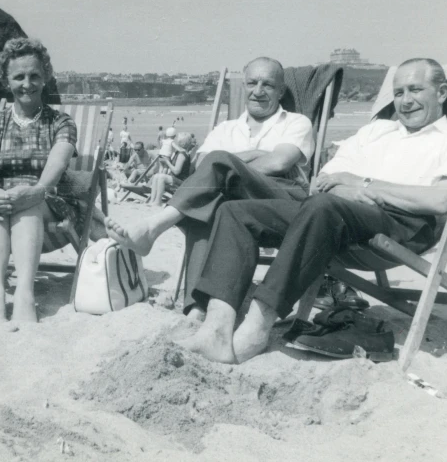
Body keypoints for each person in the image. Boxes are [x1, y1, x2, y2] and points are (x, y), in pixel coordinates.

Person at [170, 58, 447, 364]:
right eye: (399, 93)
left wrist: (364, 184)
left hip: (403, 226)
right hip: (336, 216)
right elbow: (324, 183)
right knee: (238, 212)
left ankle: (257, 326)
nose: (406, 101)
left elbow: (440, 200)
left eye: (416, 90)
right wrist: (346, 187)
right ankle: (216, 329)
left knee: (323, 206)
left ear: (441, 93)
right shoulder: (376, 132)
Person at [106, 57, 315, 319]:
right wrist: (252, 155)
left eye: (268, 85)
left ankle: (154, 227)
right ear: (243, 87)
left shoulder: (296, 122)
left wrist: (229, 160)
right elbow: (202, 166)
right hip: (233, 202)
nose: (258, 91)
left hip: (282, 199)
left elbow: (279, 161)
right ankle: (196, 311)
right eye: (252, 82)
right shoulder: (225, 128)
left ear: (281, 91)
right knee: (208, 206)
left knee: (216, 170)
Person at [0, 37, 90, 326]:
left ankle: (24, 293)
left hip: (47, 200)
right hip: (2, 201)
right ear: (6, 81)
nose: (27, 83)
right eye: (19, 76)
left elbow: (56, 166)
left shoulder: (60, 123)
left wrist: (35, 191)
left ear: (45, 76)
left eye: (34, 75)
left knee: (27, 202)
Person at [147, 132, 196, 206]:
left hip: (181, 181)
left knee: (161, 177)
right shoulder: (179, 152)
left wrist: (167, 162)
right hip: (176, 178)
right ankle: (152, 200)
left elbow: (176, 171)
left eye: (179, 140)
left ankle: (158, 202)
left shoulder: (181, 154)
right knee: (157, 176)